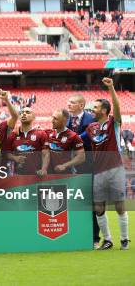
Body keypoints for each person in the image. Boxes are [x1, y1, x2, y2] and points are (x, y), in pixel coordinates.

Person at [84, 77, 129, 250]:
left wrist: (111, 88)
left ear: (104, 110)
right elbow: (78, 139)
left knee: (119, 205)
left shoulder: (113, 123)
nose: (92, 109)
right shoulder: (91, 128)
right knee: (99, 207)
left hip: (115, 169)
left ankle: (124, 239)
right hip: (98, 171)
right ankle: (108, 240)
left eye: (95, 107)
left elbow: (117, 109)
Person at [66, 93, 99, 247]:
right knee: (73, 201)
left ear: (81, 105)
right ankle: (75, 234)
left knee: (90, 201)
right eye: (68, 102)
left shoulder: (92, 120)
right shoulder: (65, 120)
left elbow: (89, 138)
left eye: (72, 102)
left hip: (88, 165)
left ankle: (94, 237)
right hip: (69, 165)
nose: (68, 105)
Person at [7, 107, 50, 176]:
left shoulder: (41, 134)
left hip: (36, 175)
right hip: (17, 175)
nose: (24, 114)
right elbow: (6, 153)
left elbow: (45, 154)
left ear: (34, 117)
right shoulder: (13, 134)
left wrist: (44, 169)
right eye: (21, 113)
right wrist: (15, 158)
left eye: (27, 112)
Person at [46, 109, 85, 174]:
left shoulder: (73, 136)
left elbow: (81, 157)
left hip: (66, 175)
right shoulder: (47, 133)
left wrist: (65, 165)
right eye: (52, 117)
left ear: (64, 121)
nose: (52, 121)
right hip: (49, 174)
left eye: (55, 119)